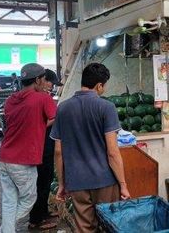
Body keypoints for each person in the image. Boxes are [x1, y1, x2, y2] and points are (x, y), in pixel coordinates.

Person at [51, 63, 130, 232]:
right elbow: (112, 152)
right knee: (109, 225)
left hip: (77, 181)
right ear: (99, 85)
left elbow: (58, 151)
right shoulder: (106, 107)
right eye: (104, 86)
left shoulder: (63, 108)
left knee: (85, 228)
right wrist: (123, 184)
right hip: (105, 180)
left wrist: (62, 183)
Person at [0, 63, 57, 233]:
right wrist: (40, 125)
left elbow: (18, 122)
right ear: (38, 80)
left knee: (9, 201)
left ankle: (6, 230)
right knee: (28, 200)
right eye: (45, 79)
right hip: (23, 161)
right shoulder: (43, 98)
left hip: (4, 157)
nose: (46, 82)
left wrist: (35, 125)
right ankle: (4, 230)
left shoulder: (10, 100)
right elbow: (54, 117)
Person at [28, 69, 62, 230]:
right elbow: (37, 124)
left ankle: (44, 212)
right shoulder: (38, 99)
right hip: (39, 147)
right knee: (40, 183)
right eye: (51, 83)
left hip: (46, 146)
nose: (51, 87)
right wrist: (55, 119)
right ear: (42, 80)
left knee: (46, 181)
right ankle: (36, 219)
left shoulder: (44, 98)